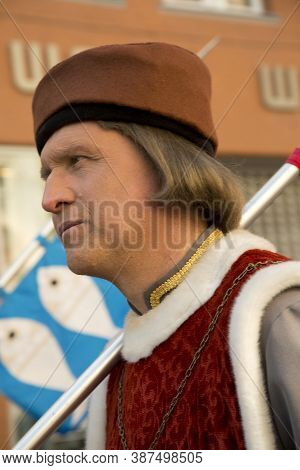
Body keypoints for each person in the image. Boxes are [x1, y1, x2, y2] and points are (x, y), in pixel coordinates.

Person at [31, 42, 300, 450]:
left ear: (167, 165)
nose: (50, 198)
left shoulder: (277, 315)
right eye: (46, 174)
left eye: (78, 161)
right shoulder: (113, 373)